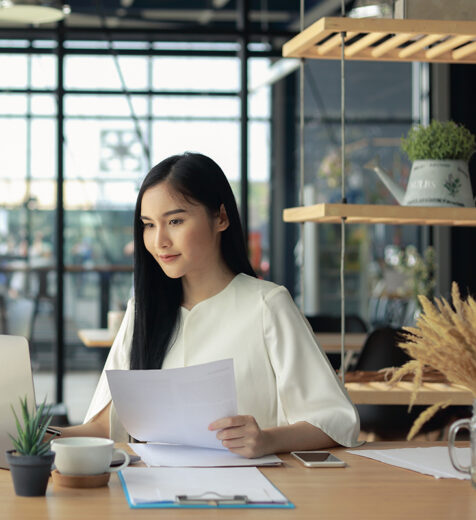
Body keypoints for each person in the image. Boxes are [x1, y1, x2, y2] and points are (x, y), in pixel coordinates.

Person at [55, 152, 360, 458]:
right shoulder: (142, 312)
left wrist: (268, 440)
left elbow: (336, 420)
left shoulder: (267, 305)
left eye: (175, 221)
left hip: (251, 496)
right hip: (153, 496)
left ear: (221, 218)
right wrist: (30, 435)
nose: (159, 240)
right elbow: (102, 428)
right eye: (149, 225)